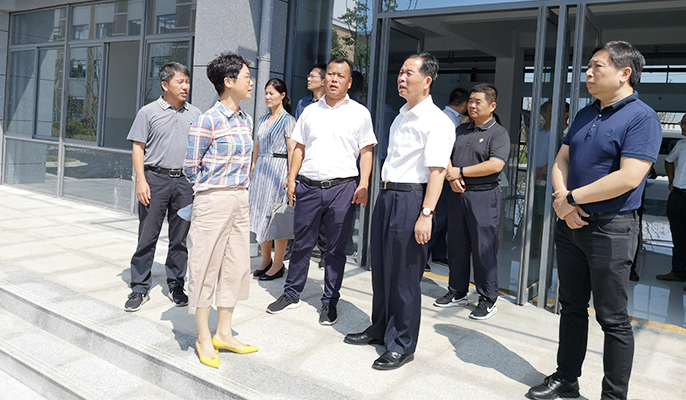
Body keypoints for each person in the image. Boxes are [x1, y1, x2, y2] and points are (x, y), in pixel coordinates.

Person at [527, 41, 661, 400]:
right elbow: (562, 160)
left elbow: (629, 177)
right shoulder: (586, 113)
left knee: (612, 318)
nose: (587, 73)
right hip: (571, 224)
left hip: (611, 228)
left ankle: (613, 395)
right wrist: (563, 202)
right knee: (571, 307)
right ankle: (566, 377)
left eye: (596, 67)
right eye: (587, 67)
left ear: (624, 73)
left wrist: (571, 198)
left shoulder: (642, 118)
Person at [344, 52, 455, 370]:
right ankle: (380, 328)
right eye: (401, 72)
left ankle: (402, 344)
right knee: (382, 269)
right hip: (388, 196)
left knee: (405, 275)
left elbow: (437, 172)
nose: (401, 78)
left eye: (409, 73)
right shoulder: (401, 116)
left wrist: (426, 214)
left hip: (411, 199)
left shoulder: (437, 121)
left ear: (427, 80)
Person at [266, 57, 377, 325]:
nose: (334, 79)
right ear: (325, 78)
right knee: (301, 243)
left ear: (349, 82)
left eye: (341, 75)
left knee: (335, 249)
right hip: (309, 186)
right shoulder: (310, 111)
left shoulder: (360, 113)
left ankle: (330, 300)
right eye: (331, 74)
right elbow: (299, 148)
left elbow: (366, 152)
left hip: (343, 188)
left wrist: (364, 184)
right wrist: (292, 178)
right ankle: (291, 293)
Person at [184, 52, 259, 369]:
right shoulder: (207, 120)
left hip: (240, 198)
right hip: (213, 200)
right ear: (228, 82)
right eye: (246, 77)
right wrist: (211, 191)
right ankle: (204, 336)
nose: (251, 82)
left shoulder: (246, 120)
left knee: (236, 267)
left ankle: (224, 333)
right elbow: (190, 167)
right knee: (204, 268)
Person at [124, 62, 201, 312]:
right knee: (147, 236)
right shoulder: (148, 112)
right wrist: (141, 180)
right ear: (165, 84)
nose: (185, 86)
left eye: (187, 81)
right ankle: (139, 287)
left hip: (184, 183)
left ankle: (176, 284)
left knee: (180, 238)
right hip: (155, 180)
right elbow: (138, 147)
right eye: (180, 82)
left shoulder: (195, 114)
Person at [433, 84, 509, 321]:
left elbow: (496, 164)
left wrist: (461, 172)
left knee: (483, 248)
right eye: (471, 101)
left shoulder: (498, 133)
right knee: (457, 245)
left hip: (484, 196)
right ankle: (457, 291)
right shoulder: (461, 130)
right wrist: (451, 176)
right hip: (457, 194)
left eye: (478, 102)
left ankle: (488, 298)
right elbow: (444, 153)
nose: (472, 106)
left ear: (492, 106)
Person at [249, 78, 296, 280]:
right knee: (261, 215)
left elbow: (292, 149)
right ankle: (266, 259)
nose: (267, 97)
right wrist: (253, 168)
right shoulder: (262, 119)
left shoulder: (288, 121)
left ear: (282, 95)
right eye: (266, 93)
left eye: (272, 93)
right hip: (261, 171)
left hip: (279, 169)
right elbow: (257, 145)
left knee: (276, 217)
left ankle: (278, 264)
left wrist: (290, 176)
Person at [426, 87, 469, 272]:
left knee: (446, 217)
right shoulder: (446, 120)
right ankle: (424, 254)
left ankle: (438, 253)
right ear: (465, 104)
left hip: (450, 175)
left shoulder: (455, 118)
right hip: (442, 174)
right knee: (439, 216)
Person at [294, 63, 328, 268]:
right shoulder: (303, 104)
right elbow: (299, 137)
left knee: (325, 216)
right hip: (305, 164)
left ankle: (325, 251)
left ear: (323, 81)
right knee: (304, 214)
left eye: (313, 76)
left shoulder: (331, 105)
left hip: (326, 166)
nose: (308, 78)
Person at [656, 113, 686, 288]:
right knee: (678, 235)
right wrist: (671, 180)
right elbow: (668, 161)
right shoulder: (681, 145)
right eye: (682, 123)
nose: (682, 126)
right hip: (678, 196)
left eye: (685, 123)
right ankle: (678, 272)